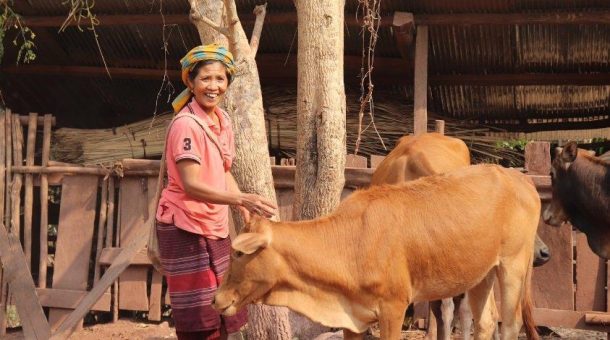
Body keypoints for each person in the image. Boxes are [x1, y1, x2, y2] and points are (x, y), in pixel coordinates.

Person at [155, 44, 277, 340]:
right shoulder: (186, 125)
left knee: (223, 310)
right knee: (198, 320)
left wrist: (244, 209)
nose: (213, 86)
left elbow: (222, 170)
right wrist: (239, 198)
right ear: (191, 82)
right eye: (206, 79)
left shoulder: (221, 121)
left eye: (220, 79)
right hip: (184, 226)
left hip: (214, 226)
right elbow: (190, 184)